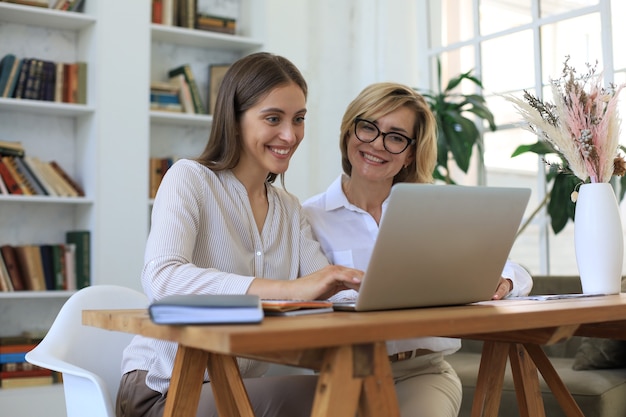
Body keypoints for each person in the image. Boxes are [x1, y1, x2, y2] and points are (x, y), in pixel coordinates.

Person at [115, 52, 363, 417]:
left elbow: (325, 293)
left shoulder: (289, 209)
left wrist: (380, 288)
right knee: (339, 399)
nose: (290, 135)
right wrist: (287, 290)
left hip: (234, 385)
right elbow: (161, 278)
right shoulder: (190, 178)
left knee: (351, 390)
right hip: (164, 390)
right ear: (234, 120)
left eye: (298, 119)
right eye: (273, 119)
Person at [302, 82, 533, 417]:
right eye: (368, 128)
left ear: (410, 152)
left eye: (395, 137)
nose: (377, 145)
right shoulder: (308, 217)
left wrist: (504, 281)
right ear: (349, 132)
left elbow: (516, 271)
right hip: (343, 374)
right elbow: (309, 302)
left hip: (422, 373)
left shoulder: (433, 208)